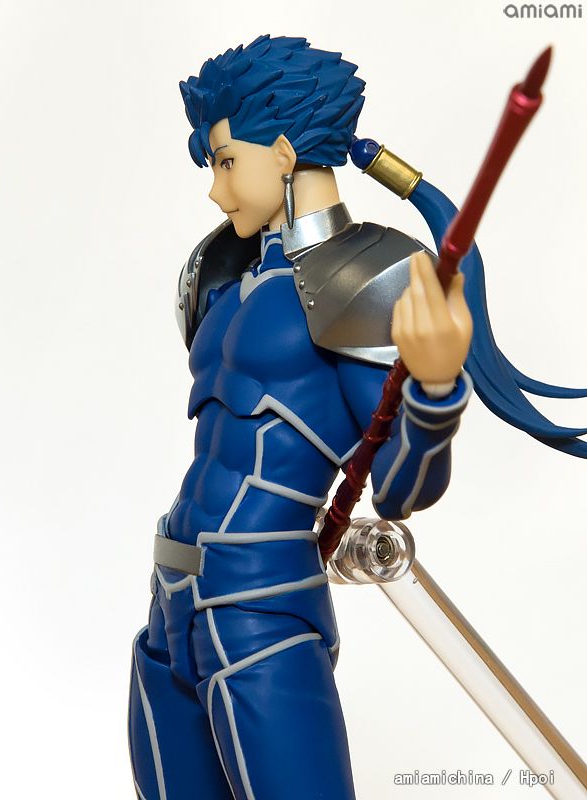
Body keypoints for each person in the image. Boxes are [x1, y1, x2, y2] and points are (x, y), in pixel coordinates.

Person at [128, 35, 586, 800]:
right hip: (170, 604)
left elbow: (403, 488)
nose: (215, 191)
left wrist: (434, 390)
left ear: (283, 153)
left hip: (259, 613)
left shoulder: (365, 278)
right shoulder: (221, 274)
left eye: (226, 162)